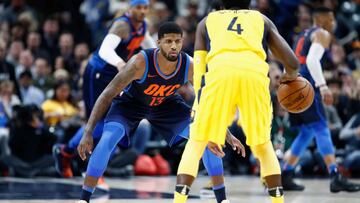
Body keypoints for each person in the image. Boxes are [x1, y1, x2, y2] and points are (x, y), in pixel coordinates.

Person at [75, 22, 245, 203]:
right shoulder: (139, 62)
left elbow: (208, 100)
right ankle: (84, 199)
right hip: (131, 104)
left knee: (207, 137)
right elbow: (107, 94)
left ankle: (222, 199)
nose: (174, 46)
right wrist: (88, 131)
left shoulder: (189, 65)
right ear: (158, 43)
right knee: (109, 137)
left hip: (166, 105)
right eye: (168, 41)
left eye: (178, 41)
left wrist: (223, 132)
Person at [172, 0, 301, 202]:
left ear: (222, 4)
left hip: (219, 75)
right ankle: (278, 200)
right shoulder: (262, 20)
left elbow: (199, 72)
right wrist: (289, 75)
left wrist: (202, 109)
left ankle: (178, 199)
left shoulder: (206, 22)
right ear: (250, 3)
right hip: (254, 77)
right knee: (264, 145)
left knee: (196, 142)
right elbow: (293, 62)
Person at [52, 0, 156, 179]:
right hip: (98, 72)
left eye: (145, 7)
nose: (142, 11)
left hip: (116, 75)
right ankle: (74, 156)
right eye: (138, 7)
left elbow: (152, 49)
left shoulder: (142, 26)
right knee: (98, 120)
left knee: (116, 118)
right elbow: (104, 50)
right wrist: (119, 63)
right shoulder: (122, 25)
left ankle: (71, 154)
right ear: (130, 9)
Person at [282, 7, 360, 193]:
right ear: (322, 19)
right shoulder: (322, 33)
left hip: (291, 86)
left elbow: (291, 61)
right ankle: (335, 175)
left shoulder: (302, 35)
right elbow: (311, 61)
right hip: (306, 87)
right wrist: (323, 86)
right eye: (331, 19)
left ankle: (286, 173)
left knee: (307, 132)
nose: (333, 23)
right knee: (322, 128)